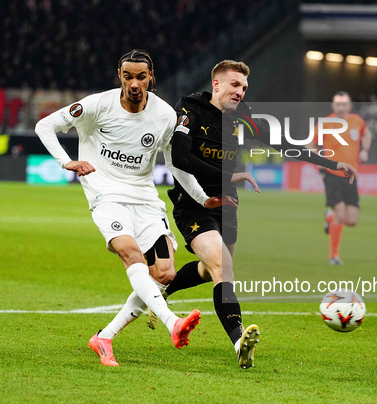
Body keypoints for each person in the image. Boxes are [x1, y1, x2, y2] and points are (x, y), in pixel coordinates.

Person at [155, 60, 357, 369]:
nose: (240, 91)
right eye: (234, 85)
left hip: (228, 204)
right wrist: (227, 176)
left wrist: (331, 164)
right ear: (217, 83)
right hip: (194, 201)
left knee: (212, 269)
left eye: (244, 87)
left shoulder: (243, 118)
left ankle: (164, 290)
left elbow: (283, 144)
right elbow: (181, 158)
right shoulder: (190, 110)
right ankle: (239, 341)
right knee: (223, 267)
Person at [35, 49, 228, 367]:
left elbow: (176, 165)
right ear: (119, 76)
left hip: (145, 199)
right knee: (131, 255)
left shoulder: (165, 114)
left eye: (141, 76)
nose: (134, 83)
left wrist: (202, 197)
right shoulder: (98, 105)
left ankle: (104, 337)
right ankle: (173, 323)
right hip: (106, 196)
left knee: (164, 274)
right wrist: (66, 161)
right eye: (128, 76)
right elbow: (45, 125)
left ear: (151, 76)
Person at [310, 91, 372, 266]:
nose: (341, 107)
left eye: (344, 104)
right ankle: (334, 256)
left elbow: (367, 134)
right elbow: (310, 144)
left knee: (352, 220)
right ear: (333, 106)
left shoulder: (357, 121)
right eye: (338, 104)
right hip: (332, 174)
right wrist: (318, 161)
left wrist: (365, 150)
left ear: (349, 106)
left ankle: (329, 218)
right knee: (340, 214)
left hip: (351, 176)